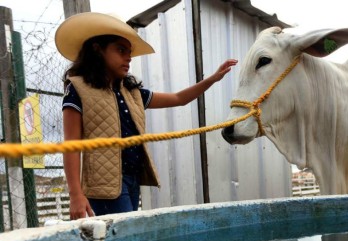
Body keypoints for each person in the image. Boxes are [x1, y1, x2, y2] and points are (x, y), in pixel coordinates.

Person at [55, 12, 237, 219]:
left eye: (129, 53)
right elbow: (70, 145)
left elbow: (178, 98)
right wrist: (75, 195)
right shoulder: (77, 89)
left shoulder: (133, 93)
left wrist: (212, 79)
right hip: (103, 186)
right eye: (121, 50)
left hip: (132, 180)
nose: (128, 58)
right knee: (123, 240)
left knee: (123, 238)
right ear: (97, 50)